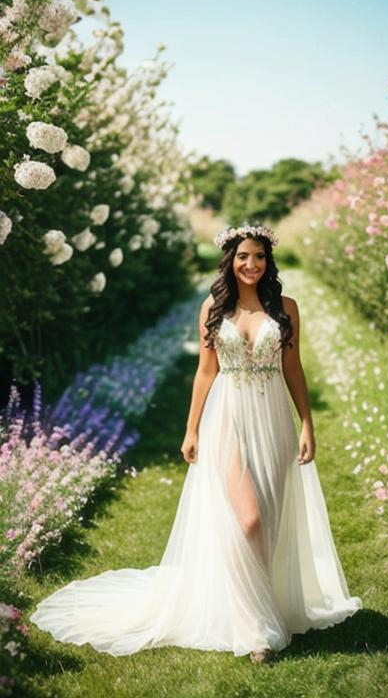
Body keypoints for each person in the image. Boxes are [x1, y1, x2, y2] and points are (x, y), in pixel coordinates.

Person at [30, 223, 362, 663]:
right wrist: (191, 429)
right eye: (243, 257)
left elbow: (293, 369)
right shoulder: (214, 307)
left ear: (268, 261)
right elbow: (205, 372)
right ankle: (254, 629)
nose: (251, 265)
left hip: (273, 418)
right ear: (230, 260)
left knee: (271, 519)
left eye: (259, 257)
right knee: (247, 520)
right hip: (227, 415)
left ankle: (265, 603)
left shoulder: (286, 308)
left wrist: (307, 425)